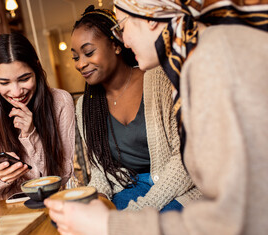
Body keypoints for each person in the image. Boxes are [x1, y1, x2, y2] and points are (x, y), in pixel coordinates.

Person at [45, 0, 268, 235]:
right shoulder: (196, 59)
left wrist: (112, 226)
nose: (125, 40)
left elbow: (243, 218)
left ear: (150, 17)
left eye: (122, 26)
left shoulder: (208, 60)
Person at [72, 5, 200, 212]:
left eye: (88, 52)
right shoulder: (85, 106)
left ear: (116, 45)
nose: (80, 64)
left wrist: (145, 207)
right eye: (76, 57)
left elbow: (185, 160)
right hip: (128, 188)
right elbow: (100, 170)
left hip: (178, 188)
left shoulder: (161, 78)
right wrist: (99, 198)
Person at [0, 33, 75, 200]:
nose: (17, 92)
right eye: (4, 83)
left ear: (37, 68)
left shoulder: (61, 101)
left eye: (24, 79)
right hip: (6, 214)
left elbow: (64, 174)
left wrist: (31, 135)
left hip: (49, 205)